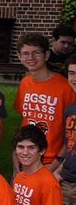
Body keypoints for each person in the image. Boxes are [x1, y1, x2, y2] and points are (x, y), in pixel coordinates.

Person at [18, 34, 76, 169]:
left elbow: (71, 133)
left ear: (47, 55)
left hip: (53, 161)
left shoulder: (66, 87)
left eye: (36, 53)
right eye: (25, 54)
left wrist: (55, 164)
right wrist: (17, 160)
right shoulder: (25, 83)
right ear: (19, 57)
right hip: (26, 159)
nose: (31, 58)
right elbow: (24, 121)